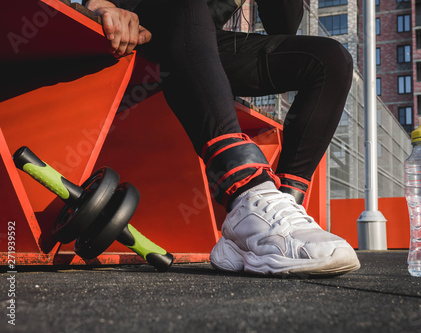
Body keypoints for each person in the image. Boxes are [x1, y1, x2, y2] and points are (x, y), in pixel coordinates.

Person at [84, 0, 360, 276]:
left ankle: (274, 219)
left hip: (200, 41)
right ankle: (249, 193)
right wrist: (101, 6)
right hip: (143, 26)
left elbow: (284, 28)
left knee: (330, 60)